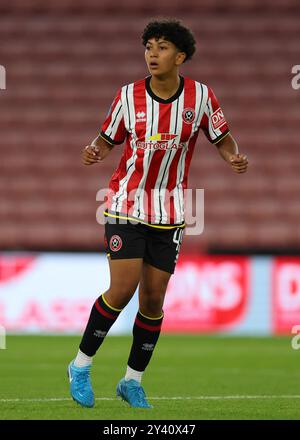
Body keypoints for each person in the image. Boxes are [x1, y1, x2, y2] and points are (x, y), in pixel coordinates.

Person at [67, 18, 248, 409]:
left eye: (162, 47)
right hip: (125, 203)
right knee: (123, 288)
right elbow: (107, 137)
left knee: (153, 300)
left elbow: (221, 135)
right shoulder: (127, 96)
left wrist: (232, 154)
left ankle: (132, 381)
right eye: (149, 45)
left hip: (171, 210)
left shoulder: (201, 97)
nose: (152, 52)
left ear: (180, 56)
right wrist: (93, 150)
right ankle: (81, 366)